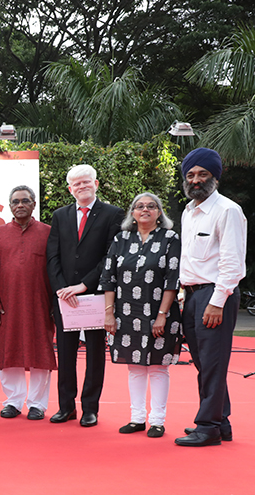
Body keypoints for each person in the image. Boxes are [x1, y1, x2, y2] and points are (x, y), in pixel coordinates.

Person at [175, 148, 248, 447]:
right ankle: (221, 422)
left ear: (215, 177)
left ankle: (208, 427)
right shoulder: (188, 211)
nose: (195, 180)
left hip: (215, 295)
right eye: (190, 175)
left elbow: (232, 263)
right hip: (191, 296)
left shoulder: (228, 210)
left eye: (202, 174)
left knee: (213, 363)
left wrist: (217, 301)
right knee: (204, 364)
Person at [46, 164, 124, 427]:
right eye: (76, 184)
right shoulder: (60, 215)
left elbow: (111, 257)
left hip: (94, 295)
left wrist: (83, 285)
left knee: (94, 353)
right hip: (64, 296)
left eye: (86, 182)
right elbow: (53, 256)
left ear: (96, 184)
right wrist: (61, 288)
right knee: (65, 354)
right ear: (70, 189)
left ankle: (90, 408)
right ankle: (65, 406)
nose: (82, 187)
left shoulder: (113, 214)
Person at [102, 193, 182, 438]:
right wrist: (108, 313)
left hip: (160, 313)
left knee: (158, 367)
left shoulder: (170, 238)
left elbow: (172, 279)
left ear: (159, 213)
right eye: (139, 206)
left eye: (151, 206)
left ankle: (157, 420)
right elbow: (108, 278)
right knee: (135, 367)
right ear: (132, 213)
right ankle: (137, 418)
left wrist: (162, 315)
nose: (145, 209)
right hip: (126, 313)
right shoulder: (121, 238)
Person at [0, 185, 56, 420]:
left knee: (41, 354)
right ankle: (13, 402)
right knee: (9, 353)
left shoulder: (48, 232)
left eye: (25, 201)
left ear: (34, 204)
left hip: (40, 304)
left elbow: (56, 270)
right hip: (7, 305)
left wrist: (55, 305)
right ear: (9, 206)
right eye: (15, 201)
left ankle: (37, 404)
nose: (20, 205)